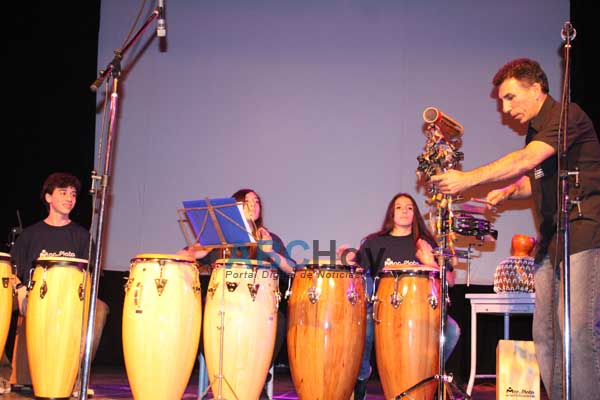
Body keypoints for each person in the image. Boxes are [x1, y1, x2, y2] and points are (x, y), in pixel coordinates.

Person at [430, 58, 600, 400]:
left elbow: (526, 160)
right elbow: (535, 176)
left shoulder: (567, 116)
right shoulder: (537, 130)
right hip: (551, 240)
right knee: (546, 335)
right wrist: (510, 191)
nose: (506, 109)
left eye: (510, 98)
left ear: (536, 89)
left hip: (582, 232)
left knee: (577, 331)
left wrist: (469, 178)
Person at [340, 193, 460, 400]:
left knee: (453, 331)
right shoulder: (375, 243)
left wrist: (429, 262)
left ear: (415, 214)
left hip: (422, 313)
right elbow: (358, 273)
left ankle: (426, 376)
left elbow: (450, 280)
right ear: (391, 213)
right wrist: (348, 260)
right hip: (383, 311)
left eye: (410, 207)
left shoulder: (427, 243)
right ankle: (361, 378)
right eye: (399, 207)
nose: (405, 211)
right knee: (363, 324)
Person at [180, 188, 296, 399]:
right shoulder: (221, 239)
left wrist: (270, 252)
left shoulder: (270, 238)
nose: (254, 205)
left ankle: (258, 378)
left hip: (260, 311)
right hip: (224, 307)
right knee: (204, 317)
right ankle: (220, 376)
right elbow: (181, 257)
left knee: (278, 321)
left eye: (257, 201)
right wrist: (202, 249)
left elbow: (292, 269)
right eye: (247, 201)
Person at [4, 172, 109, 397]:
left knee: (98, 309)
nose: (70, 198)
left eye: (73, 194)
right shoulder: (30, 235)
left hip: (69, 298)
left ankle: (74, 374)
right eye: (63, 193)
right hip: (31, 296)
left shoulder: (81, 237)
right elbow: (12, 270)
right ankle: (4, 372)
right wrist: (20, 289)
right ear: (48, 197)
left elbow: (90, 276)